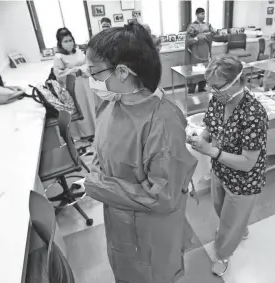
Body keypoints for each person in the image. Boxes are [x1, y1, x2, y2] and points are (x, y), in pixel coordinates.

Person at [83, 23, 198, 283]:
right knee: (124, 268)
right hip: (118, 220)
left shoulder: (163, 123)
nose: (90, 80)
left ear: (122, 72)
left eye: (94, 72)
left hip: (150, 231)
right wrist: (97, 173)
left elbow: (163, 195)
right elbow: (99, 149)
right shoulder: (110, 104)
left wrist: (98, 185)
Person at [188, 55, 268, 277]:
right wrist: (200, 138)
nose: (211, 91)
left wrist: (211, 151)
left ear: (236, 82)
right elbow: (211, 127)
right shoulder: (219, 101)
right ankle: (238, 228)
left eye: (216, 86)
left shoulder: (253, 113)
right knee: (221, 209)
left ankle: (223, 254)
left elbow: (248, 162)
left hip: (243, 179)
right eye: (209, 85)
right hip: (221, 169)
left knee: (230, 221)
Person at [53, 27, 96, 139]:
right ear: (60, 43)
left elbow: (88, 63)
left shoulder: (79, 52)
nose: (69, 43)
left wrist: (84, 69)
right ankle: (84, 133)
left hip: (86, 82)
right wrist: (73, 71)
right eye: (65, 41)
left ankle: (94, 130)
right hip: (73, 85)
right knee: (81, 107)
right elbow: (58, 73)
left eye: (70, 40)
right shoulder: (59, 57)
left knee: (90, 105)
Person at [185, 7, 215, 94]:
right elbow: (188, 40)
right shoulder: (192, 26)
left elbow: (213, 34)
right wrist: (197, 38)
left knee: (205, 69)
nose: (204, 15)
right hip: (196, 50)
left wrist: (209, 35)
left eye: (204, 14)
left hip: (205, 49)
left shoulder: (208, 25)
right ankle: (191, 89)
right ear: (197, 15)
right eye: (202, 14)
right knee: (194, 69)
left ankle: (202, 87)